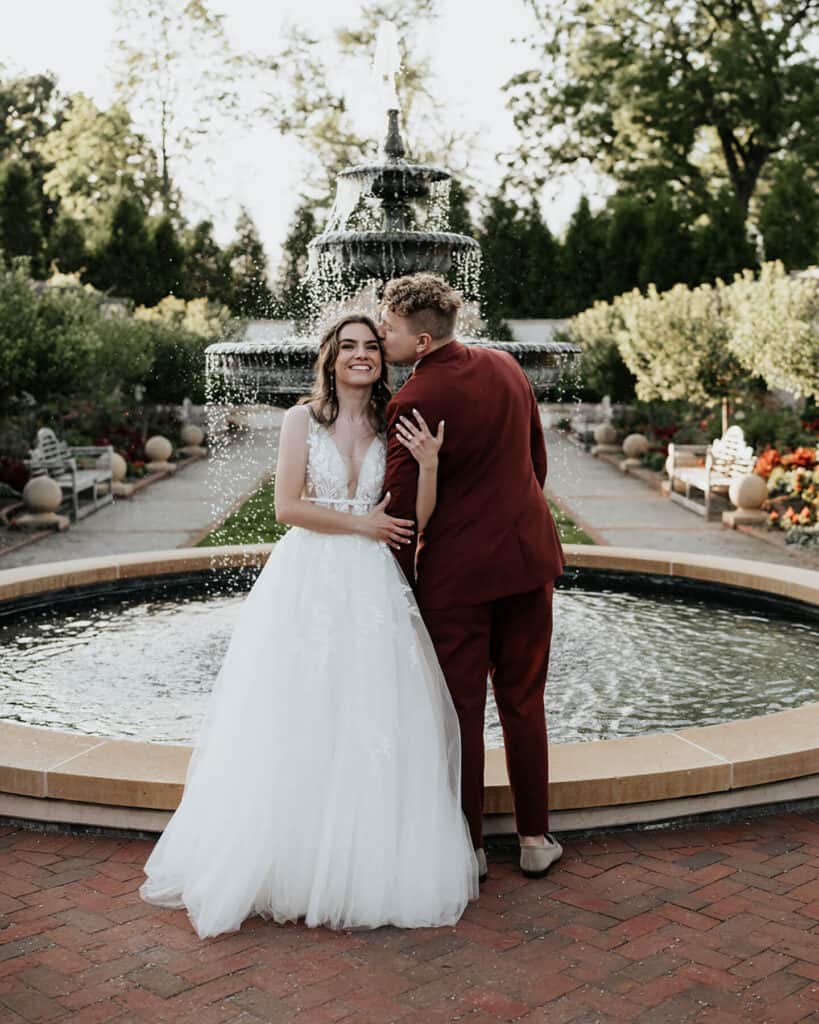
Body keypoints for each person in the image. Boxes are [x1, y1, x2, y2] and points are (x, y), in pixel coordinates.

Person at [140, 314, 478, 938]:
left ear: (384, 359)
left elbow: (415, 520)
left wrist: (428, 465)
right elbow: (287, 508)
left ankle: (363, 862)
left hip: (373, 585)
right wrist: (361, 525)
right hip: (309, 577)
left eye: (371, 347)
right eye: (348, 346)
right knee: (300, 708)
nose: (360, 356)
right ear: (329, 357)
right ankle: (288, 859)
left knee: (372, 711)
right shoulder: (301, 420)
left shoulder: (393, 421)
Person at [380, 273, 565, 881]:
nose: (382, 336)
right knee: (524, 700)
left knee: (460, 711)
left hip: (458, 579)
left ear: (424, 340)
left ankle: (472, 849)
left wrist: (399, 588)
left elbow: (402, 515)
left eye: (390, 328)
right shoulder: (509, 368)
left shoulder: (411, 402)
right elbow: (536, 465)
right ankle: (535, 839)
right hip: (528, 560)